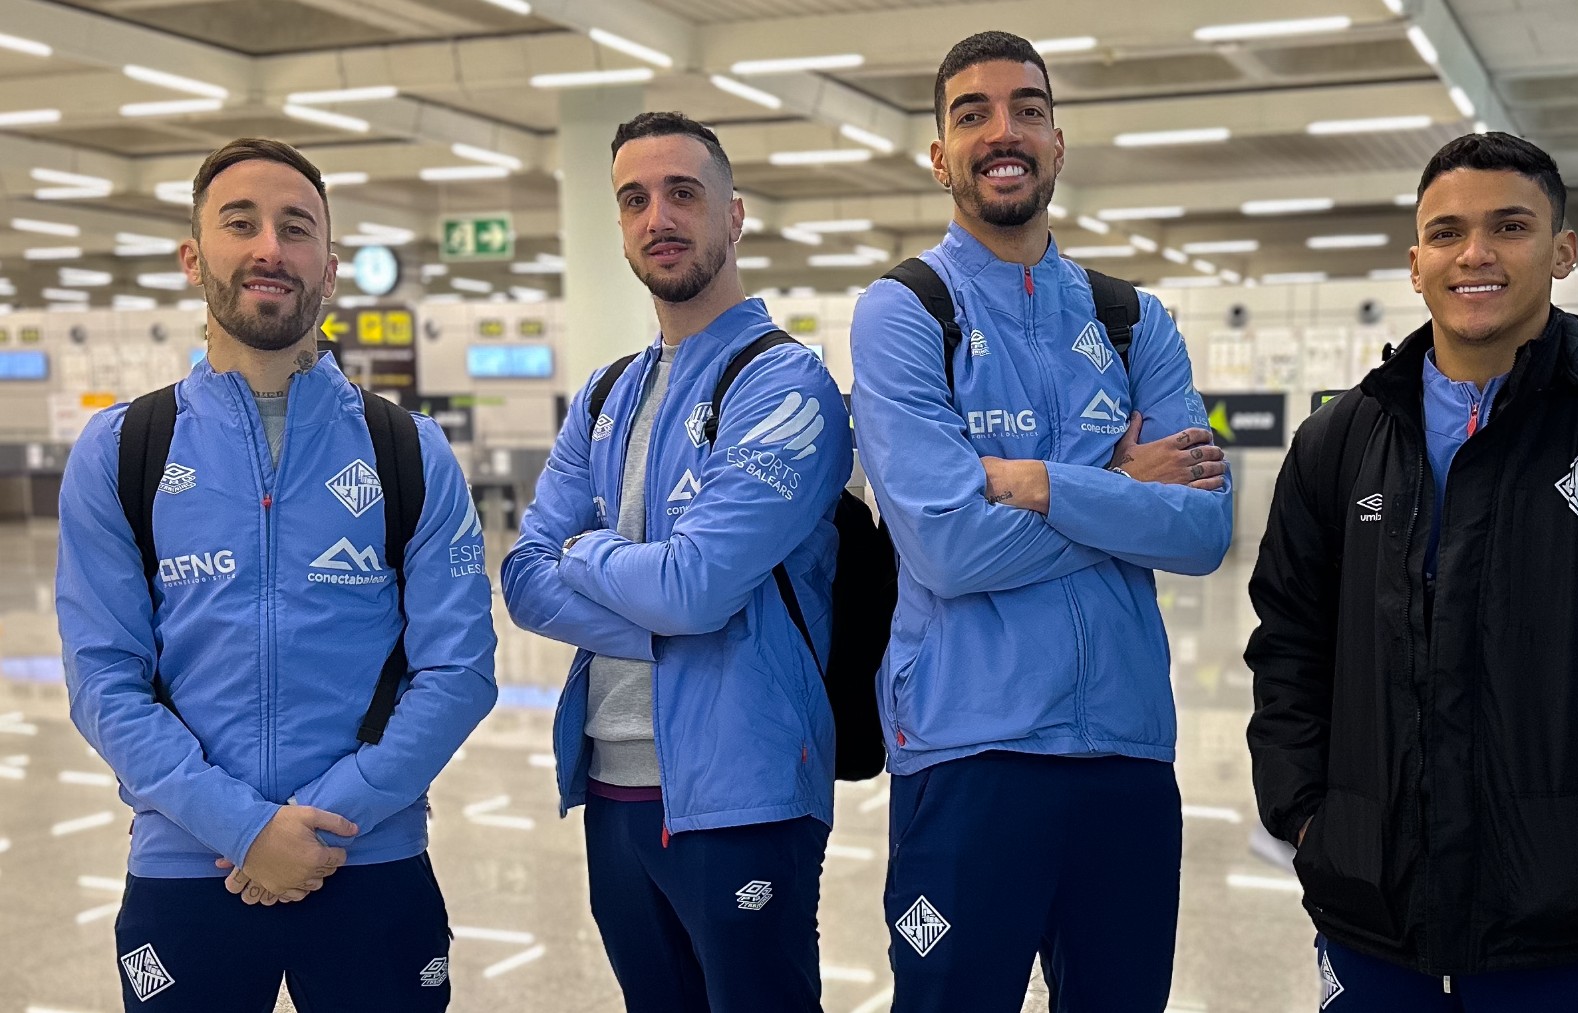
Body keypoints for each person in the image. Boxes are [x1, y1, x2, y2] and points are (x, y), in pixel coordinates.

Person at [1245, 132, 1578, 1012]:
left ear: (1563, 251)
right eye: (1447, 232)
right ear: (1416, 264)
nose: (1475, 254)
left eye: (1511, 225)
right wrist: (1307, 814)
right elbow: (1290, 639)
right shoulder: (1340, 443)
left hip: (1567, 916)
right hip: (1371, 909)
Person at [56, 137, 498, 1012]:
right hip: (191, 867)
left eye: (296, 229)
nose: (270, 247)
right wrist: (245, 827)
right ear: (194, 258)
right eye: (240, 222)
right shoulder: (121, 453)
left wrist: (328, 821)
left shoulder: (406, 451)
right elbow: (104, 680)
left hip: (369, 858)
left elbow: (459, 671)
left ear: (329, 270)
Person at [849, 31, 1233, 1013]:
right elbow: (945, 546)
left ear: (1058, 143)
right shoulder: (904, 311)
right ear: (940, 155)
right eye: (970, 113)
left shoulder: (1132, 320)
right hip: (969, 754)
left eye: (1027, 107)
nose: (1001, 130)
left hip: (1128, 757)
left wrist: (1042, 483)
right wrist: (1119, 479)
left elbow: (1199, 531)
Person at [500, 111, 851, 1013]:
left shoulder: (784, 383)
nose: (659, 215)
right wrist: (661, 597)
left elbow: (693, 587)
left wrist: (591, 552)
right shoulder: (608, 392)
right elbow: (524, 577)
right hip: (613, 785)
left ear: (734, 215)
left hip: (744, 792)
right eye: (634, 199)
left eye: (684, 193)